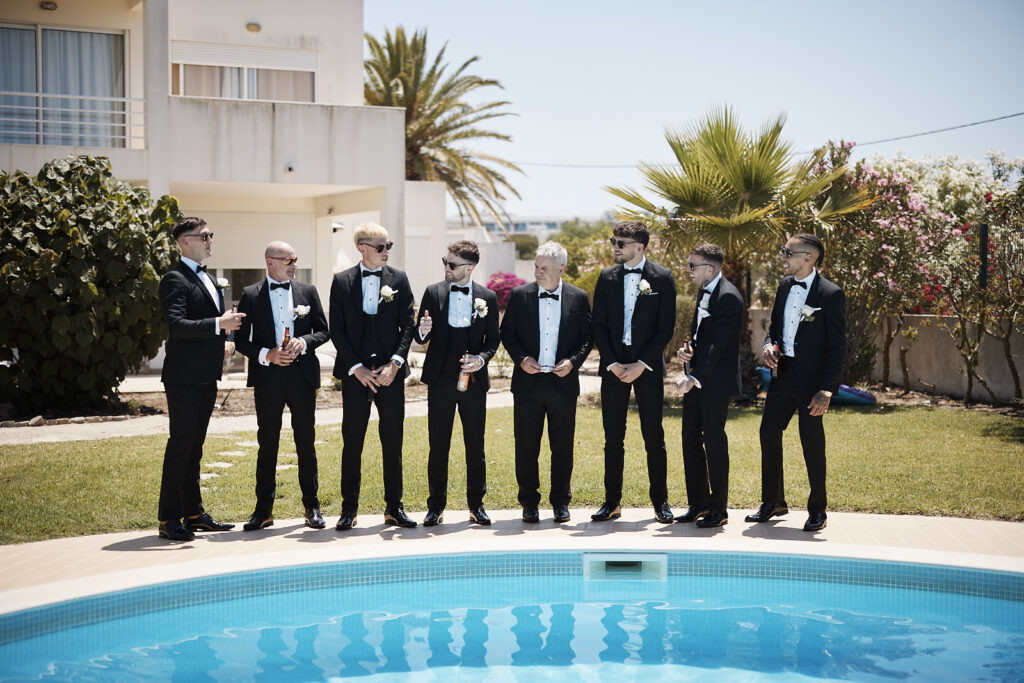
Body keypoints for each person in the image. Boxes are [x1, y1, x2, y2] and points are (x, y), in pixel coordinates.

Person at [746, 233, 846, 532]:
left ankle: (818, 510)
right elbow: (774, 329)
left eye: (787, 252)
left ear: (809, 257)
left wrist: (826, 389)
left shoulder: (830, 294)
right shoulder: (785, 286)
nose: (783, 257)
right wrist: (767, 345)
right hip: (782, 376)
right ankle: (773, 502)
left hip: (813, 384)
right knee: (768, 433)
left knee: (812, 444)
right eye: (783, 251)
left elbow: (838, 347)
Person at [156, 217, 244, 541]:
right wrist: (218, 324)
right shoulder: (174, 279)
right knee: (180, 446)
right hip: (182, 379)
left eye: (210, 234)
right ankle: (168, 519)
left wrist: (222, 344)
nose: (209, 240)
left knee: (195, 448)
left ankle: (193, 514)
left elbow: (206, 327)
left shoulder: (207, 279)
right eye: (203, 236)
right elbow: (177, 325)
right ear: (185, 242)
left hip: (206, 377)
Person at [234, 242, 330, 532]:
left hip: (302, 377)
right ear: (270, 262)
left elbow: (324, 330)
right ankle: (263, 510)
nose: (293, 264)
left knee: (306, 442)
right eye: (288, 260)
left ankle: (311, 506)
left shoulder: (308, 292)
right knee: (268, 444)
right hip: (268, 379)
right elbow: (241, 341)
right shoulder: (250, 294)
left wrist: (305, 342)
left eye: (295, 260)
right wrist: (268, 355)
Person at [329, 222, 416, 530]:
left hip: (390, 375)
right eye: (380, 247)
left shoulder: (399, 278)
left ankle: (394, 507)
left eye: (388, 246)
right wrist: (357, 368)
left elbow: (408, 324)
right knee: (352, 441)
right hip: (355, 375)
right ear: (361, 248)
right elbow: (336, 329)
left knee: (393, 441)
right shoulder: (341, 281)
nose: (386, 252)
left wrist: (394, 363)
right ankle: (349, 509)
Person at [499, 242, 593, 523]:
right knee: (527, 445)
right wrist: (521, 358)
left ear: (562, 269)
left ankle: (561, 502)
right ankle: (528, 502)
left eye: (545, 269)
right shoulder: (519, 295)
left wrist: (573, 362)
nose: (538, 272)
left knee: (562, 446)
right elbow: (508, 333)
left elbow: (587, 338)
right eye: (536, 267)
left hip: (562, 384)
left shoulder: (579, 297)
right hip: (527, 384)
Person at [590, 221, 676, 524]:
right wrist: (612, 362)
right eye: (614, 241)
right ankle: (612, 502)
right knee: (613, 437)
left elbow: (666, 327)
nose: (615, 247)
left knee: (654, 437)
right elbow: (597, 324)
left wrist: (642, 364)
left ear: (639, 247)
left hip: (648, 366)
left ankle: (660, 503)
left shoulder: (662, 278)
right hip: (613, 366)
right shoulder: (606, 277)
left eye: (620, 243)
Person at [414, 241, 500, 526]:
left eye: (451, 264)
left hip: (473, 381)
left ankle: (477, 505)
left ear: (469, 268)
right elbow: (421, 334)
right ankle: (435, 507)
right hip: (440, 379)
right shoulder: (433, 292)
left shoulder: (486, 297)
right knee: (438, 444)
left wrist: (481, 359)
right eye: (445, 262)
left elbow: (493, 340)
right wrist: (423, 332)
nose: (446, 268)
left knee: (475, 445)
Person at [672, 243, 744, 528]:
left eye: (693, 266)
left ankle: (719, 509)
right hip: (699, 377)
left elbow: (718, 345)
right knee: (690, 438)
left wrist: (692, 377)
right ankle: (698, 504)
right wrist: (686, 351)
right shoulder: (704, 290)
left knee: (714, 442)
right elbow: (702, 337)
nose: (688, 270)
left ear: (710, 268)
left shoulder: (728, 297)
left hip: (716, 382)